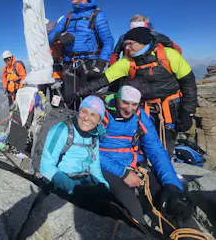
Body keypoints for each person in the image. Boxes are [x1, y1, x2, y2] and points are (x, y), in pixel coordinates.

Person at [72, 26, 197, 156]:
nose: (127, 48)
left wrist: (188, 112)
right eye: (126, 44)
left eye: (131, 44)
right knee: (142, 145)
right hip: (143, 109)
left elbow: (189, 84)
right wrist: (77, 93)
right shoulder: (127, 62)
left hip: (170, 110)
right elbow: (103, 80)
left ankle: (163, 170)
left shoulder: (169, 55)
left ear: (143, 42)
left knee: (166, 146)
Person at [100, 85, 199, 236]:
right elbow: (89, 148)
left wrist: (171, 184)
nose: (129, 109)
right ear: (117, 99)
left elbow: (156, 151)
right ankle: (146, 233)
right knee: (132, 208)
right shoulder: (102, 114)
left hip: (136, 167)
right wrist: (123, 172)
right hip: (108, 168)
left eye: (134, 104)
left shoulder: (139, 116)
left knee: (176, 203)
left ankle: (193, 236)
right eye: (125, 103)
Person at [48, 0, 114, 109]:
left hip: (89, 64)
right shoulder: (68, 16)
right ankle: (71, 127)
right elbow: (49, 37)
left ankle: (87, 127)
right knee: (69, 100)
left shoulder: (97, 15)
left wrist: (101, 64)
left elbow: (108, 41)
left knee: (88, 102)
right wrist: (59, 36)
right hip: (69, 64)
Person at [40, 96, 109, 193]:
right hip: (61, 185)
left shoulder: (94, 136)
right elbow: (46, 166)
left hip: (84, 184)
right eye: (84, 111)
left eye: (93, 114)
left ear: (99, 120)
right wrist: (73, 188)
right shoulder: (62, 130)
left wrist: (103, 184)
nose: (86, 118)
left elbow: (94, 166)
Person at [109, 14, 182, 66]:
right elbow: (115, 55)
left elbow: (115, 55)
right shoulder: (124, 38)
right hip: (132, 71)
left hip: (148, 72)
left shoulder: (157, 37)